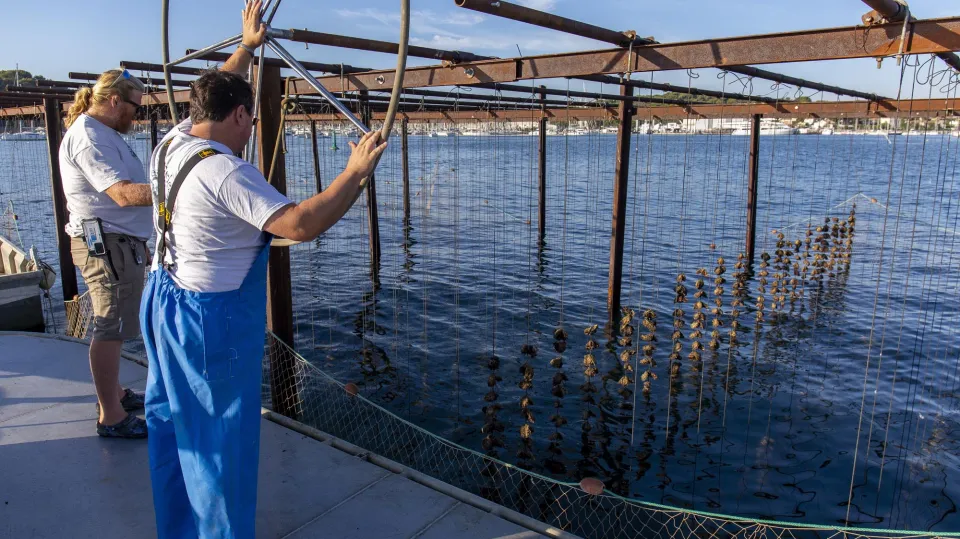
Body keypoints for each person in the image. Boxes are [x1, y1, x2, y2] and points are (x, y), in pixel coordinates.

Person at [141, 2, 387, 536]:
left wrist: (248, 47)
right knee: (219, 448)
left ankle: (178, 529)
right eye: (249, 119)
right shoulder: (225, 172)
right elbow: (298, 224)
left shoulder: (172, 143)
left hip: (162, 298)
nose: (251, 129)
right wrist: (353, 173)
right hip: (209, 322)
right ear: (236, 116)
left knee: (170, 425)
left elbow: (217, 87)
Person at [60, 67, 151, 438]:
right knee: (109, 326)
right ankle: (110, 417)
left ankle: (114, 394)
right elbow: (122, 194)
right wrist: (180, 187)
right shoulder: (90, 138)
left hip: (117, 244)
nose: (137, 114)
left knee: (111, 323)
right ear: (115, 100)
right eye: (134, 106)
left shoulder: (103, 132)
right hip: (107, 246)